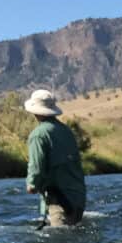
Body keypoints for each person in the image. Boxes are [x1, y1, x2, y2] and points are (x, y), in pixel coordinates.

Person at [24, 89, 86, 226]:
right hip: (78, 198)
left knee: (59, 242)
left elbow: (36, 167)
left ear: (35, 111)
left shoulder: (38, 135)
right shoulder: (66, 130)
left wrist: (32, 185)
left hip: (60, 201)